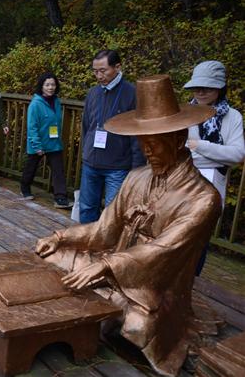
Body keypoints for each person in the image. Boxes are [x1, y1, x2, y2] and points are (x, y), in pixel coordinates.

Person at [36, 75, 220, 377]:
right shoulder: (136, 178)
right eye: (142, 144)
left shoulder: (203, 198)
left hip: (153, 287)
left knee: (137, 325)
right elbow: (104, 230)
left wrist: (106, 267)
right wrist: (60, 237)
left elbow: (164, 250)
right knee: (51, 255)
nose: (147, 152)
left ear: (177, 139)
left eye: (154, 144)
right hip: (113, 265)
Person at [182, 60, 245, 274]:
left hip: (211, 189)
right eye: (196, 87)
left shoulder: (232, 116)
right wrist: (217, 154)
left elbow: (237, 154)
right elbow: (180, 152)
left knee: (199, 240)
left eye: (207, 87)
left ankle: (188, 285)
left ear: (219, 87)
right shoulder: (185, 112)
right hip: (180, 184)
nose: (200, 91)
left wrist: (200, 145)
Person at [79, 49, 145, 223]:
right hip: (90, 162)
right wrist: (85, 152)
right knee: (86, 208)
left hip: (117, 166)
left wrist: (136, 169)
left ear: (117, 67)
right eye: (95, 71)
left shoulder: (132, 93)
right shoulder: (93, 92)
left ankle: (107, 250)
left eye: (103, 70)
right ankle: (84, 246)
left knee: (113, 214)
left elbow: (138, 134)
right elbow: (86, 125)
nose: (98, 75)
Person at [20, 72, 72, 209]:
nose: (51, 87)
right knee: (31, 168)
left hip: (54, 142)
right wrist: (37, 145)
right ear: (41, 86)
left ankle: (60, 197)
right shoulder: (35, 104)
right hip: (38, 142)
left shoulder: (56, 101)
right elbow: (32, 126)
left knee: (58, 170)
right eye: (47, 85)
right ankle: (25, 187)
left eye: (53, 84)